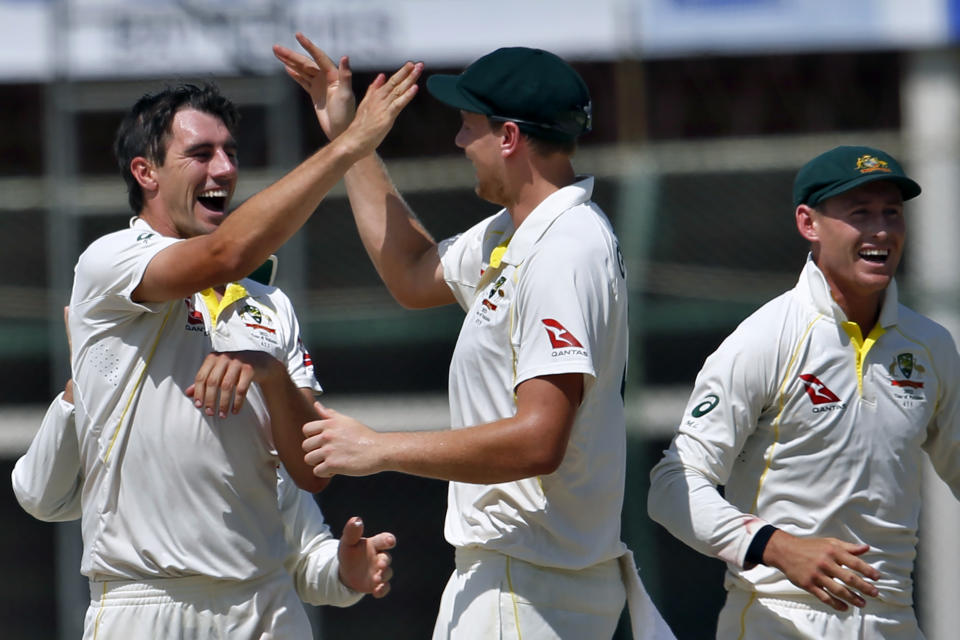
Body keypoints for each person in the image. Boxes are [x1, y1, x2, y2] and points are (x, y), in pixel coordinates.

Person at [273, 35, 675, 639]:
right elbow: (412, 273)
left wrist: (378, 448)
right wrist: (350, 139)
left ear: (508, 137)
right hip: (521, 579)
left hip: (529, 584)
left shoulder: (563, 249)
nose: (461, 143)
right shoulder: (520, 232)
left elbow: (541, 439)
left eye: (468, 127)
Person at [58, 63, 420, 639]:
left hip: (266, 608)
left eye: (230, 152)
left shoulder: (270, 304)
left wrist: (270, 374)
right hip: (146, 606)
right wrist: (350, 144)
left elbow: (310, 472)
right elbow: (222, 255)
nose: (224, 169)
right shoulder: (109, 262)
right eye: (200, 154)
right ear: (145, 172)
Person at [647, 145, 960, 639]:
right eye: (860, 213)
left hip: (894, 620)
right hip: (778, 616)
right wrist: (777, 546)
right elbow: (671, 487)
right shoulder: (766, 338)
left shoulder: (931, 345)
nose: (881, 230)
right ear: (808, 224)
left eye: (892, 213)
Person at [12, 374, 394, 609]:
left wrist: (343, 572)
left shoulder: (259, 415)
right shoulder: (112, 402)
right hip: (139, 616)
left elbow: (304, 558)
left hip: (259, 618)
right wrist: (80, 385)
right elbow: (42, 496)